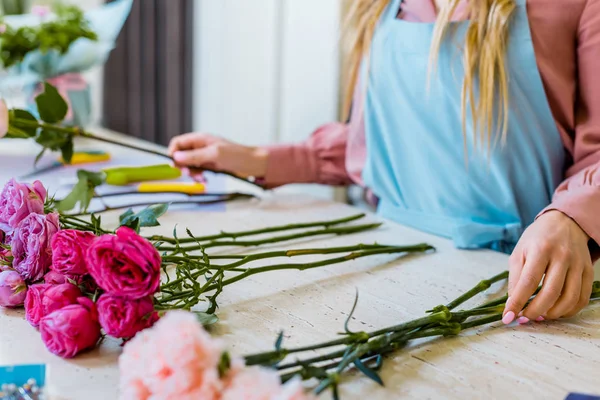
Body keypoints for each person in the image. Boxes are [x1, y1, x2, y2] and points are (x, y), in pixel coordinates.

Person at [168, 0, 600, 324]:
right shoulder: (383, 7)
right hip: (389, 269)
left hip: (519, 290)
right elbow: (376, 145)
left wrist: (570, 218)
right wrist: (254, 159)